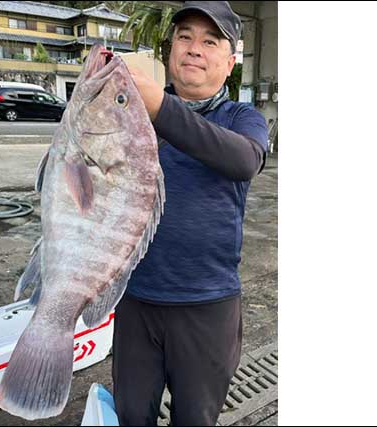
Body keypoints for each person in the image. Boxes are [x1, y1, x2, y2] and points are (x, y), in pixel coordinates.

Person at [112, 2, 269, 426]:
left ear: (231, 60)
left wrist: (160, 108)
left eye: (209, 41)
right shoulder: (133, 116)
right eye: (184, 37)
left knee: (195, 419)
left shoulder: (242, 118)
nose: (193, 48)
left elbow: (243, 160)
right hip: (136, 299)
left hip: (207, 304)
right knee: (130, 415)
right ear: (170, 52)